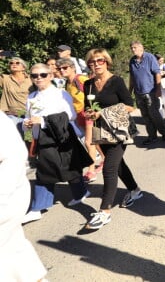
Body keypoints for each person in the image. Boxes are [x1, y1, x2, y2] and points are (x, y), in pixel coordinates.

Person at [21, 63, 92, 224]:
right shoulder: (31, 97)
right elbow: (28, 115)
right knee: (45, 171)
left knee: (69, 168)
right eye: (34, 75)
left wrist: (45, 120)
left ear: (51, 76)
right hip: (42, 139)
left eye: (43, 75)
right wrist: (27, 123)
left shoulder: (61, 94)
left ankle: (79, 193)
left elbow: (71, 115)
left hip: (61, 137)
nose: (38, 78)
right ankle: (38, 207)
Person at [83, 48, 143, 230]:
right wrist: (90, 113)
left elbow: (130, 106)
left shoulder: (116, 81)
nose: (96, 65)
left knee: (109, 168)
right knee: (118, 165)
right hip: (101, 131)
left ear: (107, 62)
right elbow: (88, 107)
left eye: (99, 61)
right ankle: (135, 190)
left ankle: (104, 211)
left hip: (119, 130)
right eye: (92, 62)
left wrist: (103, 113)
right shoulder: (88, 84)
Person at [0, 110, 47, 281]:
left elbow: (14, 157)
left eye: (40, 78)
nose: (38, 80)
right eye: (35, 79)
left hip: (7, 197)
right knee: (13, 250)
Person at [56, 57, 102, 183]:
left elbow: (95, 91)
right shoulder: (68, 83)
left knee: (88, 142)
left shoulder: (80, 79)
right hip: (78, 115)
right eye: (60, 69)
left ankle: (91, 171)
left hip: (87, 112)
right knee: (92, 141)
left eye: (65, 68)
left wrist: (94, 109)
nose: (62, 70)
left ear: (72, 68)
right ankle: (105, 159)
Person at [128, 41, 165, 145]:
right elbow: (132, 77)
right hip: (138, 92)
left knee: (154, 114)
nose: (133, 49)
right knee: (145, 116)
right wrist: (129, 91)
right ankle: (152, 136)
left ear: (141, 48)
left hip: (150, 91)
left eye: (135, 47)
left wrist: (158, 89)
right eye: (132, 48)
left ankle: (164, 132)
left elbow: (157, 74)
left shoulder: (149, 58)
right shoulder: (132, 61)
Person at [0, 57, 32, 132]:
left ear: (23, 67)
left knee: (28, 139)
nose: (14, 64)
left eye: (17, 63)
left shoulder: (31, 79)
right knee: (13, 140)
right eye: (11, 63)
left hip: (28, 116)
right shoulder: (5, 79)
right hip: (11, 116)